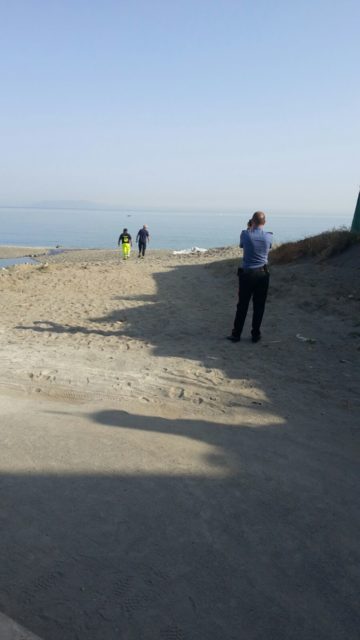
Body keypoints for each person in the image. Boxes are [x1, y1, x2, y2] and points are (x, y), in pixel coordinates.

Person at [227, 211, 273, 343]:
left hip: (247, 274)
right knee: (259, 306)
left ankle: (236, 334)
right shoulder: (269, 236)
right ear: (264, 222)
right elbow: (268, 246)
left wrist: (249, 227)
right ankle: (255, 334)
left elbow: (242, 244)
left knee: (242, 305)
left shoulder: (245, 234)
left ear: (252, 221)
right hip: (263, 274)